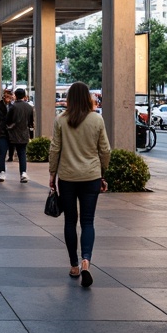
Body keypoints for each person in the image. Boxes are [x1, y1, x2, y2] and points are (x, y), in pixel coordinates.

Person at [48, 81, 111, 288]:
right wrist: (102, 172)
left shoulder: (61, 120)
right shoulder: (97, 119)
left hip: (67, 178)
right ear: (88, 97)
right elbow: (105, 150)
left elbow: (55, 149)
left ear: (69, 98)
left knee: (69, 222)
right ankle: (86, 260)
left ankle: (74, 265)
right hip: (91, 177)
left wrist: (52, 175)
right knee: (88, 222)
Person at [6, 87, 34, 182]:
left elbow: (8, 120)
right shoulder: (29, 107)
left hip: (14, 133)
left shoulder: (13, 107)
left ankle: (4, 170)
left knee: (14, 150)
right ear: (24, 96)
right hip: (24, 133)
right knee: (22, 153)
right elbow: (31, 122)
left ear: (16, 96)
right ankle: (23, 173)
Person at [0, 88, 13, 181]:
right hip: (2, 133)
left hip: (12, 133)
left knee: (12, 153)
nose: (8, 97)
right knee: (2, 153)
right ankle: (2, 172)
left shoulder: (13, 107)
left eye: (10, 95)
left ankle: (22, 172)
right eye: (6, 95)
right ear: (3, 96)